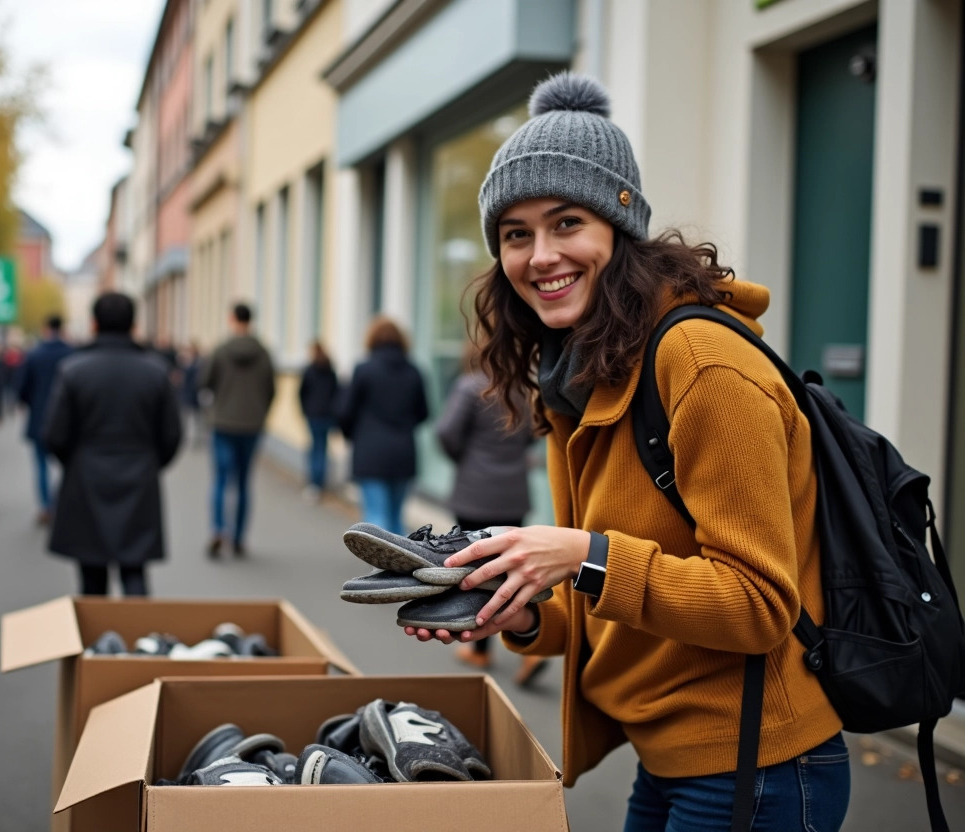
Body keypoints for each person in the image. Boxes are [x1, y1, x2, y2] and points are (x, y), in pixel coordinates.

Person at [403, 73, 847, 831]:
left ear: (620, 223)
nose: (540, 255)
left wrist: (580, 554)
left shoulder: (701, 363)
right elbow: (615, 605)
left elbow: (758, 604)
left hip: (758, 766)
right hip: (668, 760)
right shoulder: (579, 376)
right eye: (516, 234)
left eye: (565, 222)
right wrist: (510, 613)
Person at [43, 293, 182, 596]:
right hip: (139, 476)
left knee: (91, 577)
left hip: (86, 477)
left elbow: (55, 435)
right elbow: (172, 435)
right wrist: (149, 462)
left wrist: (78, 461)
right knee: (135, 572)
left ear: (93, 324)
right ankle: (138, 641)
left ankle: (97, 642)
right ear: (134, 325)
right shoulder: (156, 372)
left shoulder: (74, 370)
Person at [435, 340, 544, 686]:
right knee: (511, 573)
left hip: (475, 494)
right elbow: (531, 436)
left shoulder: (470, 387)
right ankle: (533, 650)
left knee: (477, 575)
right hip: (513, 494)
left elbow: (446, 433)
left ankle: (480, 650)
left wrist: (465, 460)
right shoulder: (523, 390)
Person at [337, 317, 428, 536]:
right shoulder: (414, 371)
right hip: (404, 451)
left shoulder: (364, 370)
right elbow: (424, 413)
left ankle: (379, 567)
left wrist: (353, 435)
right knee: (396, 515)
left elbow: (344, 411)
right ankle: (397, 566)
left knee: (376, 514)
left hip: (371, 452)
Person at [198, 302, 275, 558]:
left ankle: (219, 529)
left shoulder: (220, 350)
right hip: (251, 425)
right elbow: (270, 389)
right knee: (243, 482)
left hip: (223, 423)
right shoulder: (263, 352)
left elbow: (205, 382)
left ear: (232, 319)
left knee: (221, 480)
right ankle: (239, 537)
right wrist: (260, 414)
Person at [16, 315, 73, 525]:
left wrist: (26, 403)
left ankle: (46, 506)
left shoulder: (34, 355)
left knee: (41, 465)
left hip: (40, 417)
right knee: (66, 465)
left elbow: (22, 387)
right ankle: (60, 502)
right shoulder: (72, 354)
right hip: (68, 421)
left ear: (46, 328)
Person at [298, 340, 339, 502]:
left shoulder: (309, 370)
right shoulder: (330, 371)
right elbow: (336, 393)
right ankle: (319, 482)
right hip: (327, 415)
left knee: (315, 448)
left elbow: (302, 393)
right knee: (321, 448)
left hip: (314, 415)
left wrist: (305, 410)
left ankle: (314, 483)